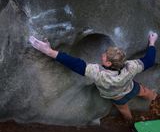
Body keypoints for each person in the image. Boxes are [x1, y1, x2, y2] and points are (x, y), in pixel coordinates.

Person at [29, 32, 159, 121]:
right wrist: (152, 42)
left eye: (105, 55)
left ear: (108, 63)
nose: (103, 54)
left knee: (124, 110)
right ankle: (156, 101)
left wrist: (49, 51)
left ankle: (131, 122)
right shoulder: (131, 66)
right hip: (131, 87)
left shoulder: (98, 73)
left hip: (116, 96)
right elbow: (149, 60)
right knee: (146, 92)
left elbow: (74, 64)